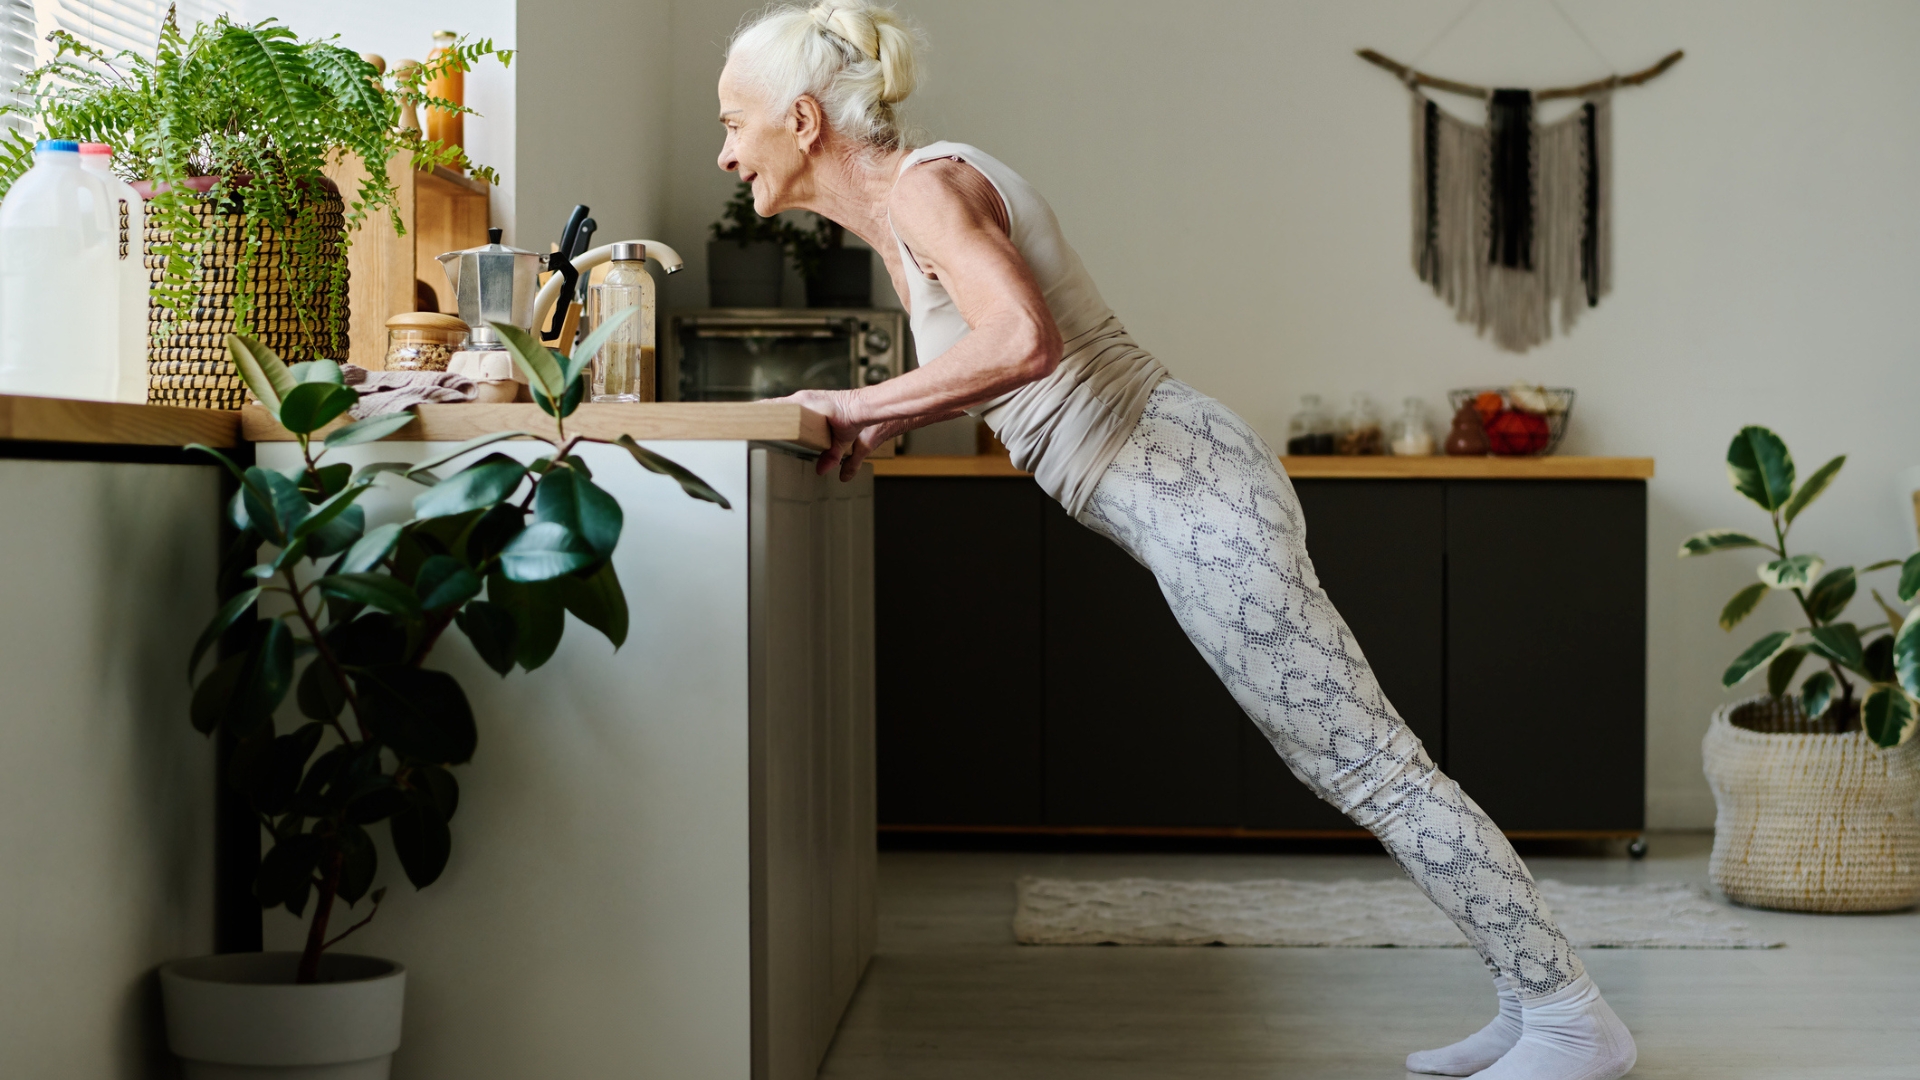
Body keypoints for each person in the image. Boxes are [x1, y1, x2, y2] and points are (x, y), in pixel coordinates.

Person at [718, 4, 1637, 1078]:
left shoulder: (927, 185)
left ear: (803, 118)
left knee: (1373, 767)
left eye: (735, 122)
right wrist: (885, 418)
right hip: (1181, 489)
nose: (727, 152)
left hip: (1195, 490)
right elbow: (997, 363)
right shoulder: (909, 208)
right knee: (1370, 765)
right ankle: (1533, 1004)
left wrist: (870, 402)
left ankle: (1573, 1017)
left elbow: (1024, 340)